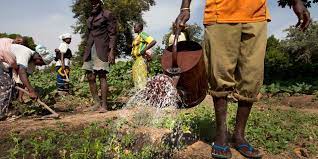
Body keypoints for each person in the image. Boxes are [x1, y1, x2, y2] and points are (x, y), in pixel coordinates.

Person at [175, 0, 311, 158]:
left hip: (256, 15)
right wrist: (185, 7)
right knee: (220, 74)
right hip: (220, 14)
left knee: (252, 75)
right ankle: (221, 135)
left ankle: (239, 136)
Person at [0, 44, 55, 120]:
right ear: (39, 57)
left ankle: (10, 110)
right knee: (8, 86)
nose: (41, 66)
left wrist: (20, 97)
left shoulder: (32, 64)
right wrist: (31, 91)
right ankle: (1, 113)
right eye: (42, 63)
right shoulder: (25, 53)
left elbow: (22, 81)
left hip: (7, 64)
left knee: (13, 87)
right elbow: (21, 72)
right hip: (1, 60)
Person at [82, 0, 117, 113]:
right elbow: (88, 35)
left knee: (102, 75)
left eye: (96, 2)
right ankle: (97, 103)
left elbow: (112, 34)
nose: (94, 4)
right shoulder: (90, 18)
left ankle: (104, 106)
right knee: (90, 76)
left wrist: (111, 51)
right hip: (90, 48)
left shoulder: (107, 14)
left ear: (101, 3)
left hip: (102, 48)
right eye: (92, 3)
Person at [131, 23, 157, 89]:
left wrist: (144, 50)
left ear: (140, 28)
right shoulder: (137, 36)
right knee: (138, 77)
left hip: (141, 59)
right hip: (137, 60)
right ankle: (141, 92)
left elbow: (153, 41)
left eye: (135, 27)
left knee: (142, 77)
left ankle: (144, 92)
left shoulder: (143, 34)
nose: (134, 29)